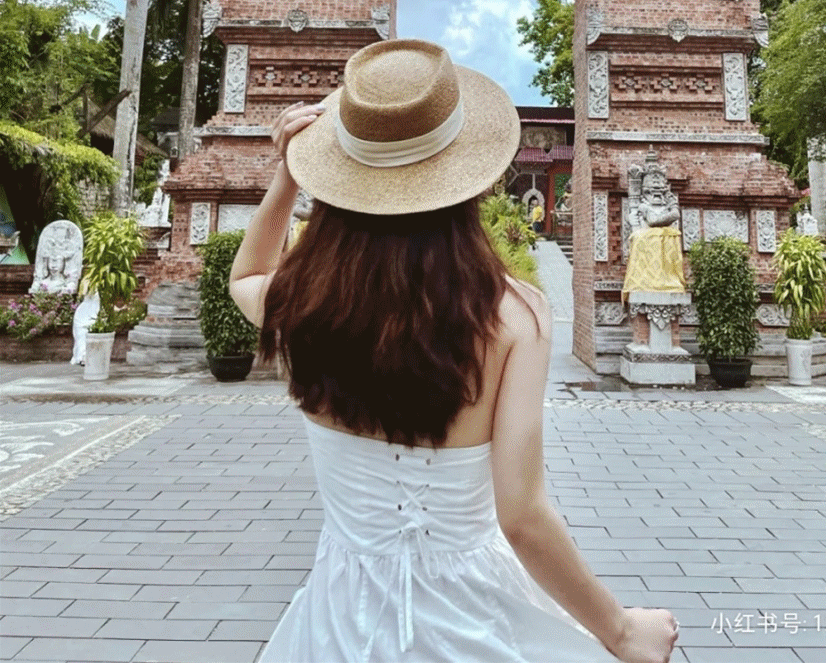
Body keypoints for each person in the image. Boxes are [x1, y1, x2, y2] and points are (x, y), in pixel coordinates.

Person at [230, 38, 679, 663]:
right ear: (470, 179)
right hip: (472, 615)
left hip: (339, 616)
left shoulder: (303, 302)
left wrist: (287, 176)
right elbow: (521, 515)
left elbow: (246, 276)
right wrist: (620, 629)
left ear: (337, 178)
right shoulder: (513, 316)